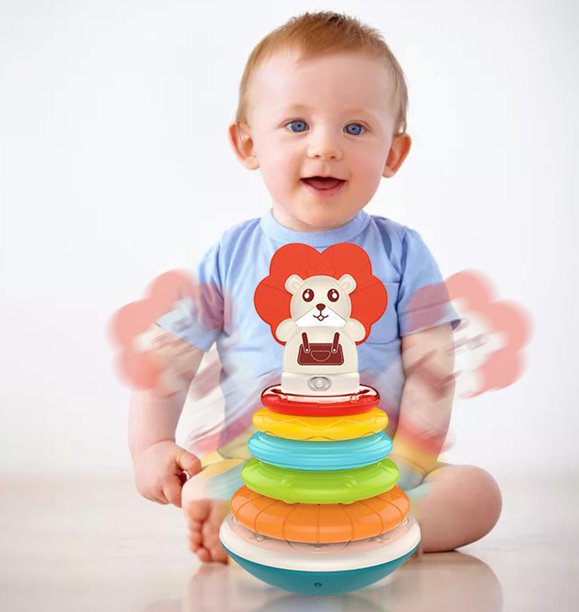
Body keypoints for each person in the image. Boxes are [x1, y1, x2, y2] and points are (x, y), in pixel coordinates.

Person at [128, 11, 502, 565]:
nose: (325, 147)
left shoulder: (403, 252)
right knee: (204, 492)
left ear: (393, 154)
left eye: (355, 128)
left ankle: (354, 529)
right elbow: (170, 356)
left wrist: (411, 462)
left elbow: (433, 366)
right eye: (297, 124)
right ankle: (339, 533)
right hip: (260, 468)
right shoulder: (231, 256)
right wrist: (151, 446)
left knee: (477, 494)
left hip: (376, 469)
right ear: (248, 144)